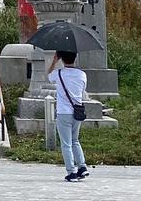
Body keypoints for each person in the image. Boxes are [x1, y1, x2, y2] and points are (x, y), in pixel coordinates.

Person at [47, 50, 89, 182]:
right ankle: (82, 166)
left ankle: (71, 172)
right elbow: (82, 90)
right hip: (78, 112)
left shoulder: (58, 73)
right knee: (75, 140)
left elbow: (48, 76)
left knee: (66, 144)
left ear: (61, 59)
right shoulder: (82, 75)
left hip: (64, 112)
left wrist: (54, 61)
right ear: (75, 58)